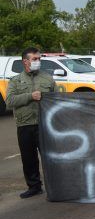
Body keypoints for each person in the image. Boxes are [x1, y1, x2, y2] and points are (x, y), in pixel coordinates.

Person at [6, 47, 59, 199]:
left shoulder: (47, 78)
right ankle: (34, 187)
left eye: (39, 59)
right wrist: (30, 96)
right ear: (25, 61)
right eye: (35, 59)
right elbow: (9, 101)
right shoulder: (15, 81)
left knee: (50, 158)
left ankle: (55, 185)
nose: (38, 62)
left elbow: (57, 100)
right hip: (25, 125)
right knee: (28, 159)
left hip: (45, 125)